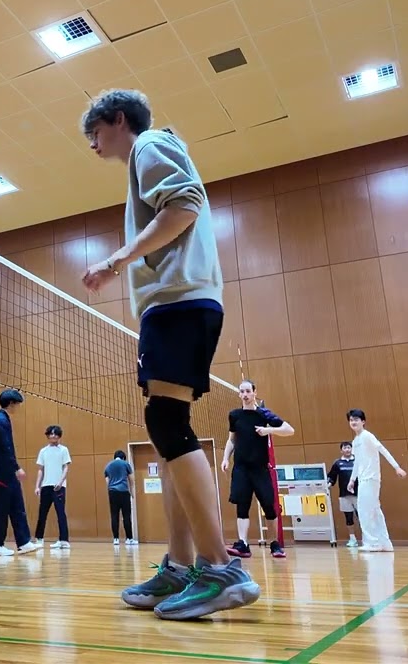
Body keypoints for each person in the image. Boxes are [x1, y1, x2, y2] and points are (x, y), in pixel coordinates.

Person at [79, 88, 260, 620]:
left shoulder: (150, 144)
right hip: (176, 304)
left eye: (95, 133)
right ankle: (181, 567)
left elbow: (183, 206)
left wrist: (116, 259)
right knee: (166, 430)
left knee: (165, 422)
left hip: (180, 302)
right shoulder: (142, 159)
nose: (92, 145)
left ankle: (219, 567)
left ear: (117, 120)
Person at [222, 380, 295, 559]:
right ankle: (243, 544)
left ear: (254, 392)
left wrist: (268, 430)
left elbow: (289, 430)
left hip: (260, 468)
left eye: (248, 391)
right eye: (242, 391)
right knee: (242, 506)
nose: (245, 394)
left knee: (269, 507)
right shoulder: (235, 415)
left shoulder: (264, 414)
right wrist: (225, 458)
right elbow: (232, 439)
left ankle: (274, 544)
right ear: (239, 394)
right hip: (241, 468)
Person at [0, 389, 39, 556]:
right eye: (17, 404)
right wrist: (17, 467)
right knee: (1, 507)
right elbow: (5, 448)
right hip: (2, 471)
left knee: (17, 504)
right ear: (11, 403)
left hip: (7, 471)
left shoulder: (4, 419)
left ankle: (23, 542)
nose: (17, 407)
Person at [347, 409, 407, 553]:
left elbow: (382, 449)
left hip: (370, 478)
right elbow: (357, 462)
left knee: (364, 510)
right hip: (363, 479)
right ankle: (384, 543)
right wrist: (352, 480)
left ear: (363, 421)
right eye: (351, 420)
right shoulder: (355, 441)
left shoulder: (367, 436)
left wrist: (397, 467)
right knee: (374, 510)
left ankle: (373, 543)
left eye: (356, 419)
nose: (353, 422)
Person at [33, 425, 72, 549]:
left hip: (59, 487)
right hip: (46, 486)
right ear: (48, 435)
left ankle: (64, 540)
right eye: (51, 433)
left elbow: (66, 467)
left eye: (56, 434)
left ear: (59, 436)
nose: (53, 436)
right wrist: (37, 486)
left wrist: (61, 482)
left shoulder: (63, 450)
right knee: (42, 513)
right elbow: (40, 470)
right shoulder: (43, 451)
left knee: (61, 513)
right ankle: (39, 538)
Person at [327, 441, 361, 548]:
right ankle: (352, 539)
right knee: (348, 517)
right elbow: (332, 476)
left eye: (349, 448)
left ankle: (368, 538)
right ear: (341, 450)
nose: (347, 450)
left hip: (359, 494)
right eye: (345, 448)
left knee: (362, 517)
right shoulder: (337, 463)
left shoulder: (358, 461)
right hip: (344, 495)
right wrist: (329, 483)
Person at [104, 450, 136, 545]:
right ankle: (129, 539)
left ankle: (116, 539)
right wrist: (132, 493)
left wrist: (110, 491)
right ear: (123, 457)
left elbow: (107, 482)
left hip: (113, 492)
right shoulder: (126, 464)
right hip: (124, 492)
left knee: (114, 515)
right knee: (126, 515)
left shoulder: (108, 466)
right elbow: (131, 480)